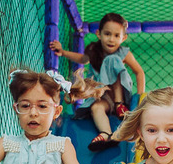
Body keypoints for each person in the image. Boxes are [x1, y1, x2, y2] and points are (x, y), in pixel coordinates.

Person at [49, 12, 146, 152]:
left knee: (111, 60)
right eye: (107, 34)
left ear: (123, 38)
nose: (111, 39)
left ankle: (119, 104)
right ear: (98, 34)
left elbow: (139, 72)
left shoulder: (123, 53)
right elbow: (82, 59)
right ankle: (106, 134)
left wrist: (140, 97)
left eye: (116, 35)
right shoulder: (94, 51)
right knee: (96, 108)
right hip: (102, 96)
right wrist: (63, 52)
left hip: (120, 96)